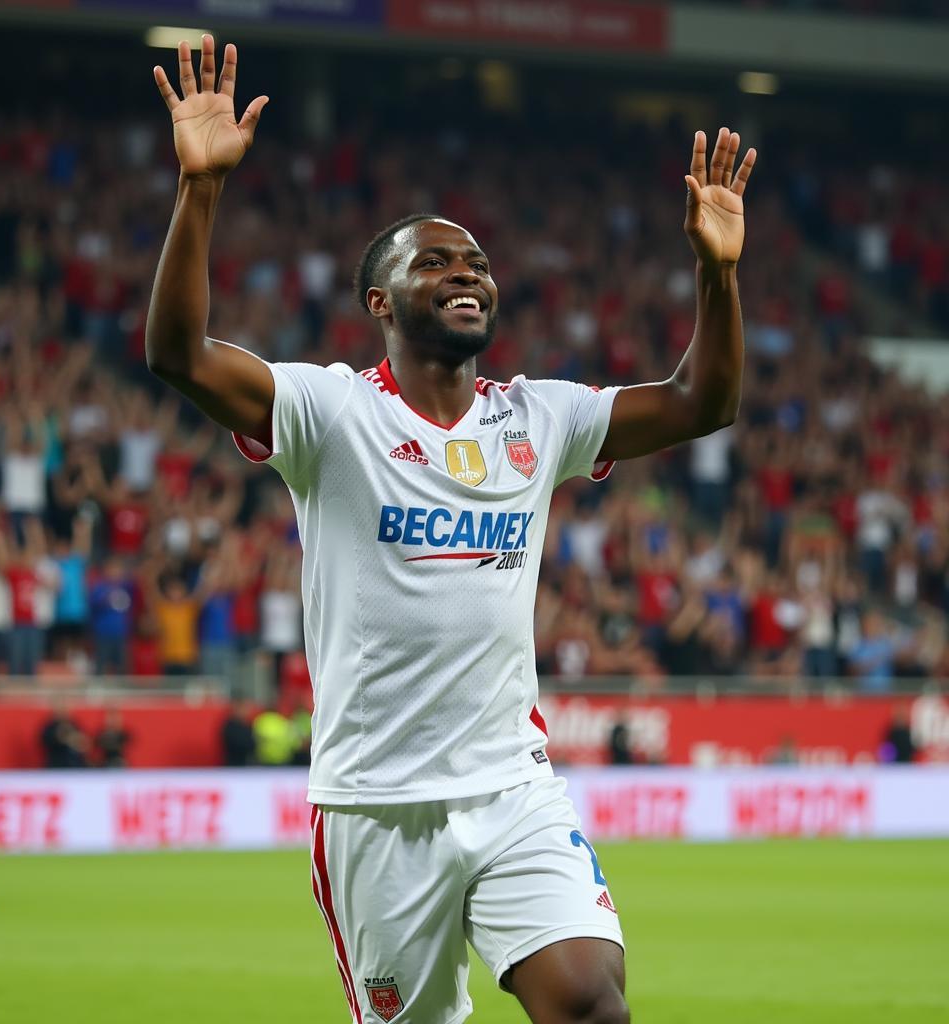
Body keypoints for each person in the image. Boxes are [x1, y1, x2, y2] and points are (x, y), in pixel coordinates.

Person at [149, 35, 755, 1024]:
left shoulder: (537, 416)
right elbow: (177, 352)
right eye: (434, 262)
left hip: (512, 785)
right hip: (375, 805)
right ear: (379, 301)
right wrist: (200, 188)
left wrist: (714, 272)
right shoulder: (330, 413)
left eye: (475, 261)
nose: (466, 272)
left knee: (589, 1002)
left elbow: (700, 401)